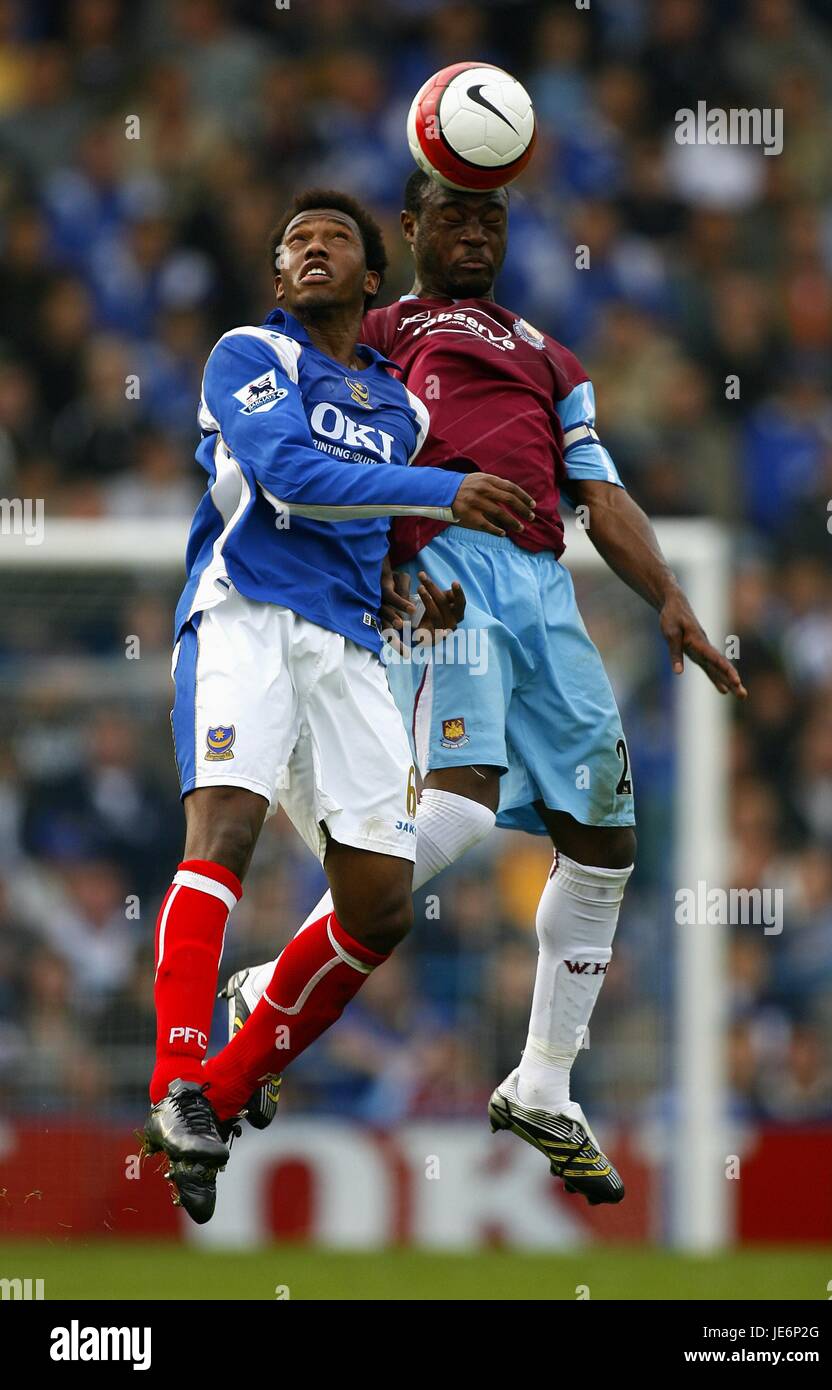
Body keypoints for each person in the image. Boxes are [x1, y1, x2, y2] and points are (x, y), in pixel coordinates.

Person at [220, 172, 747, 1207]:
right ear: (409, 231)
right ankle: (269, 980)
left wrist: (669, 598)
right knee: (455, 795)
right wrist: (382, 559)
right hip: (444, 560)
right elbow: (315, 445)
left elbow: (595, 490)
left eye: (490, 216)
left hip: (543, 588)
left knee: (606, 837)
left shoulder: (552, 357)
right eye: (451, 215)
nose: (472, 232)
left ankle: (542, 1082)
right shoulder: (376, 327)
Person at [142, 187, 534, 1223]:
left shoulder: (400, 406)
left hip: (351, 646)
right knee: (223, 826)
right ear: (278, 278)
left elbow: (376, 529)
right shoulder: (248, 356)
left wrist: (413, 571)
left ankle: (224, 1088)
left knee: (379, 903)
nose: (310, 251)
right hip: (246, 617)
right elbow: (291, 479)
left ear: (373, 278)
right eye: (294, 243)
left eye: (333, 242)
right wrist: (441, 498)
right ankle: (173, 1084)